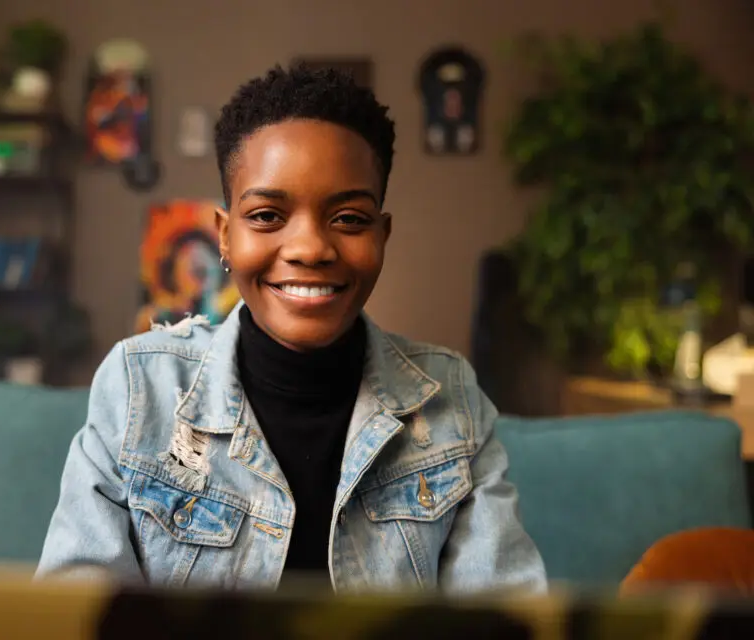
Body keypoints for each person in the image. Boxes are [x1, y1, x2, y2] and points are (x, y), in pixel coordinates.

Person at [37, 64, 547, 594]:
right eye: (266, 215)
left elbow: (504, 614)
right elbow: (75, 613)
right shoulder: (139, 387)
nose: (309, 249)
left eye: (349, 218)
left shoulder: (451, 399)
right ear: (225, 235)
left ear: (382, 236)